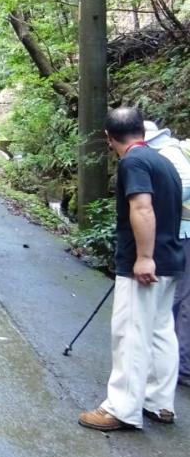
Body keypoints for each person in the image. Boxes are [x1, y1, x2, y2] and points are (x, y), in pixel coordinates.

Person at [79, 107, 186, 431]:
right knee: (160, 331)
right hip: (172, 259)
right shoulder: (164, 161)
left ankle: (121, 409)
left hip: (147, 262)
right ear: (142, 130)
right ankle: (159, 402)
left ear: (109, 138)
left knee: (130, 333)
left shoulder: (133, 161)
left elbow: (142, 207)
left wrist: (143, 257)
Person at [143, 121, 190, 386]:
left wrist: (156, 207)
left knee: (176, 300)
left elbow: (183, 186)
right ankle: (175, 363)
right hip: (180, 233)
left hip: (183, 234)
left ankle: (179, 366)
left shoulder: (168, 155)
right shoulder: (170, 152)